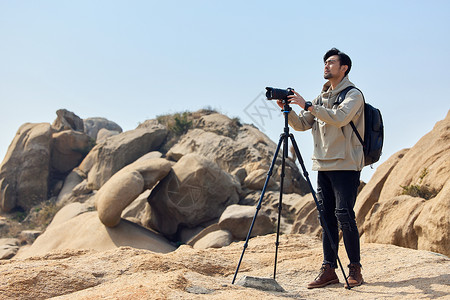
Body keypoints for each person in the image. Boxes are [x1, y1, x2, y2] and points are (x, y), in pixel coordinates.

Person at [277, 48, 364, 289]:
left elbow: (339, 118)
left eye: (331, 63)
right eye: (325, 63)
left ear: (344, 67)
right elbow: (304, 124)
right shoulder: (319, 98)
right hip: (323, 164)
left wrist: (307, 105)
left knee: (344, 215)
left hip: (346, 164)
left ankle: (355, 268)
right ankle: (329, 270)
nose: (326, 66)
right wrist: (288, 110)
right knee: (326, 218)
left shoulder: (353, 95)